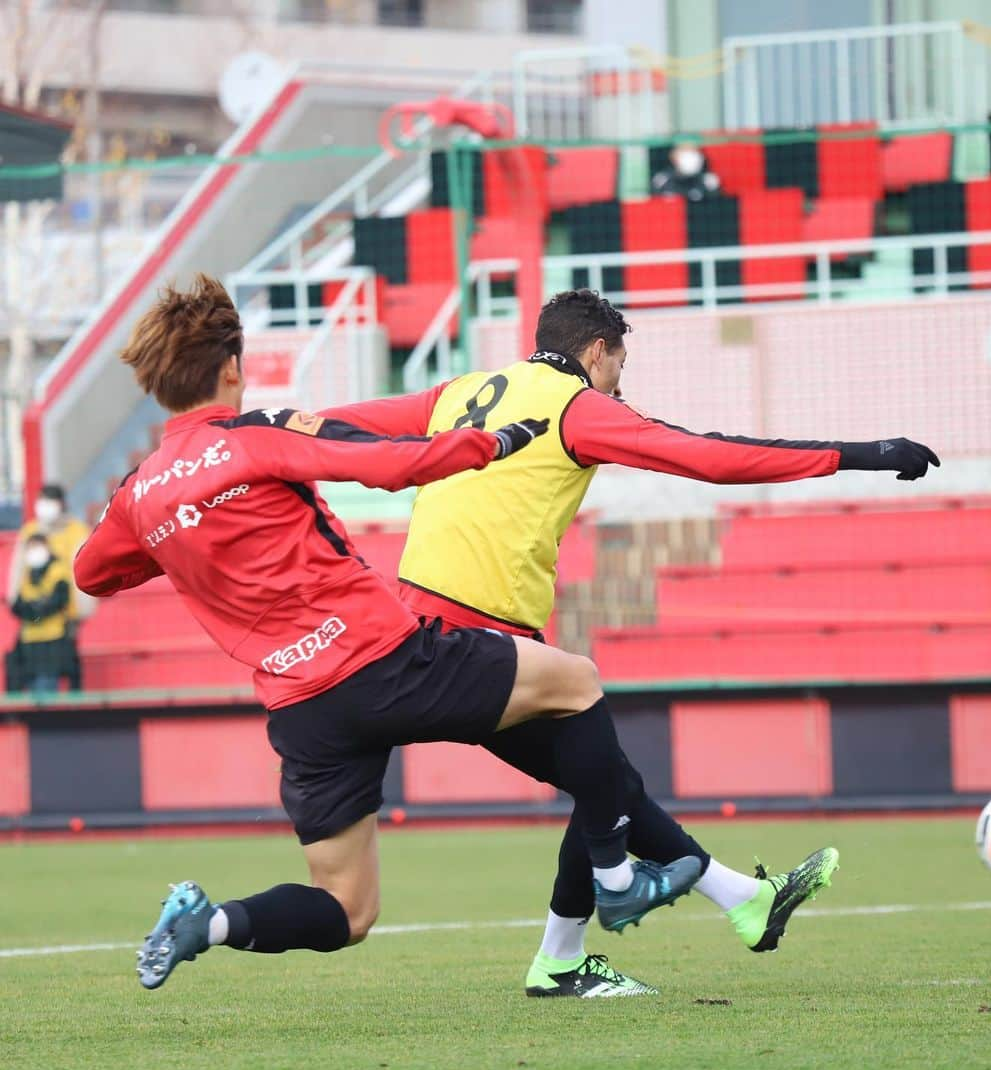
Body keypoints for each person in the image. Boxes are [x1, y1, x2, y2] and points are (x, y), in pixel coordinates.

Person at [73, 275, 701, 992]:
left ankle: (209, 923)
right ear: (232, 370)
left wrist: (177, 541)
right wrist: (491, 443)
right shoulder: (258, 436)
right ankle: (616, 879)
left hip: (302, 711)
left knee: (346, 910)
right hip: (384, 661)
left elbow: (93, 574)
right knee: (576, 681)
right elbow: (390, 460)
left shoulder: (138, 493)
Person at [321, 287, 940, 997]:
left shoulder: (463, 391)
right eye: (619, 362)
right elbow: (710, 456)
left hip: (432, 634)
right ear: (596, 351)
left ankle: (660, 927)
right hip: (471, 641)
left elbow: (345, 423)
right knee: (599, 761)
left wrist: (249, 429)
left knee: (604, 781)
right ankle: (638, 890)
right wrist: (863, 453)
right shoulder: (576, 405)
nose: (621, 380)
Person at [6, 482, 91, 689]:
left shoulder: (77, 532)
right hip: (32, 618)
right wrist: (15, 601)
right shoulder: (30, 531)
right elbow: (17, 571)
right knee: (22, 668)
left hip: (66, 616)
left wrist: (81, 611)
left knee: (55, 668)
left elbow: (83, 574)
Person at [5, 532, 73, 692]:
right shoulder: (26, 573)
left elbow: (59, 600)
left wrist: (35, 609)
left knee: (46, 687)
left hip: (52, 638)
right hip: (29, 640)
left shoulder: (58, 570)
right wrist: (34, 609)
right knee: (30, 687)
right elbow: (17, 604)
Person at [651, 142, 721, 201]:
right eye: (685, 151)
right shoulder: (661, 180)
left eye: (693, 151)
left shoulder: (709, 181)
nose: (690, 156)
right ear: (673, 156)